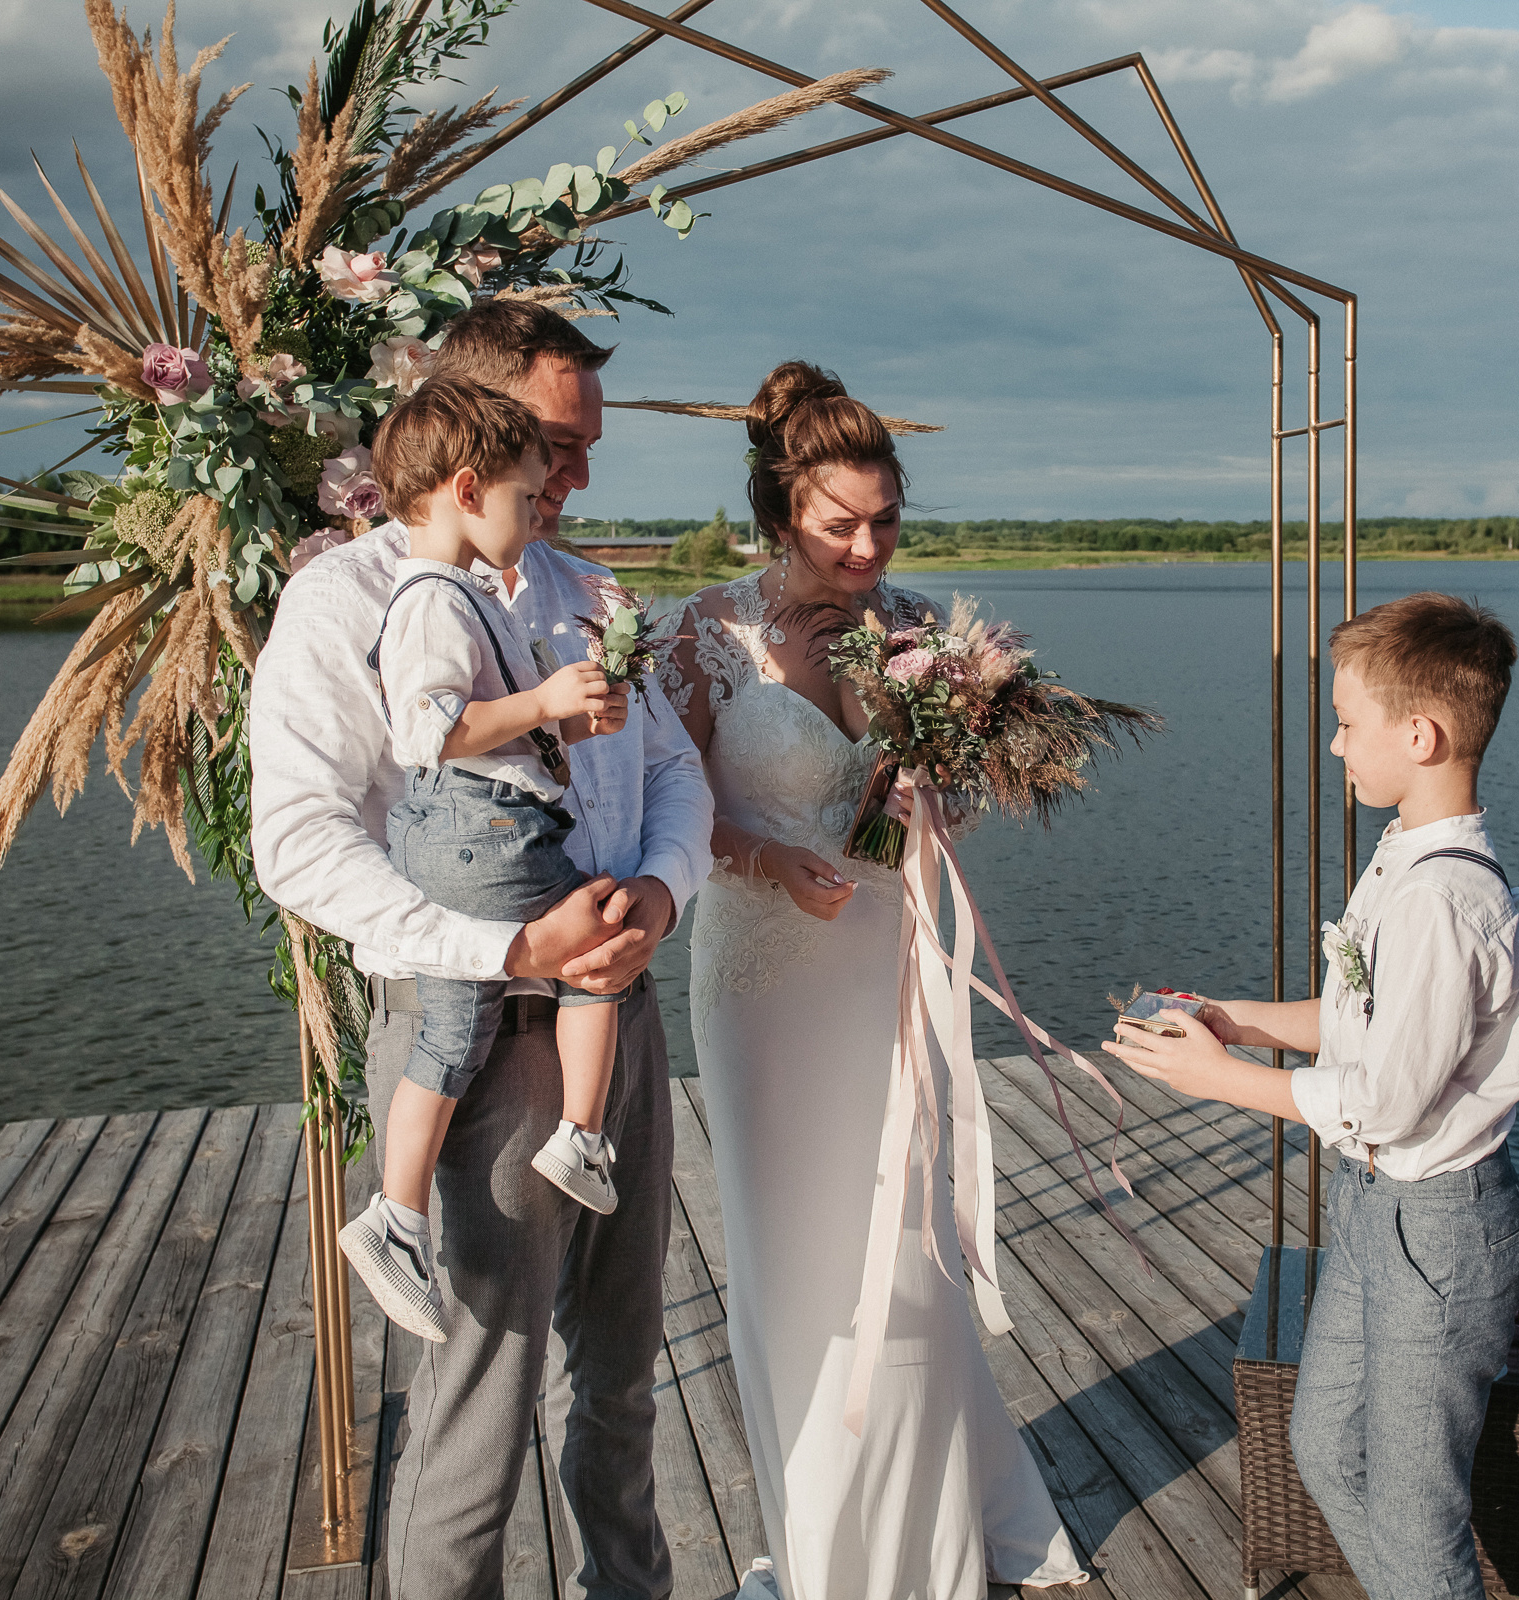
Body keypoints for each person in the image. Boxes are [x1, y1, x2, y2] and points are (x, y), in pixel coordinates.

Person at [251, 299, 713, 1600]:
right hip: (476, 1049)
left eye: (586, 448)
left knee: (621, 1384)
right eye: (556, 448)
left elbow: (672, 770)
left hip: (616, 1025)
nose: (576, 476)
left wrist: (662, 902)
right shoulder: (344, 606)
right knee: (478, 1415)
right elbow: (297, 840)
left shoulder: (585, 591)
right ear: (480, 434)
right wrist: (515, 939)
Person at [655, 361, 1087, 1599]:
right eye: (839, 521)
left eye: (885, 519)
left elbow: (943, 805)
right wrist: (766, 858)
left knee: (906, 1246)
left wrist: (935, 795)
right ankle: (829, 1543)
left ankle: (918, 1535)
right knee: (799, 1255)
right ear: (780, 506)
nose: (864, 544)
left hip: (887, 965)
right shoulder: (703, 634)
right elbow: (674, 825)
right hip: (761, 978)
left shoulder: (920, 641)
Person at [1100, 592, 1519, 1600]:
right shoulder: (1402, 859)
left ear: (1418, 735)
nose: (1336, 747)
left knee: (1416, 1512)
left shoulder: (1440, 900)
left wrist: (1225, 1081)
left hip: (1438, 1229)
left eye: (1346, 724)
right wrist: (1238, 1018)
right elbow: (1358, 1022)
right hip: (1371, 1210)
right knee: (1325, 1443)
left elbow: (1386, 1099)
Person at [337, 375, 634, 1349]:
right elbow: (429, 730)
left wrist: (566, 719)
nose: (535, 513)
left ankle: (399, 1216)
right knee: (601, 949)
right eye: (523, 495)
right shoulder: (435, 597)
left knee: (456, 1032)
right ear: (468, 489)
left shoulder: (453, 594)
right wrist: (546, 705)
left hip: (466, 833)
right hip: (481, 836)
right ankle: (580, 1139)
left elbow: (488, 723)